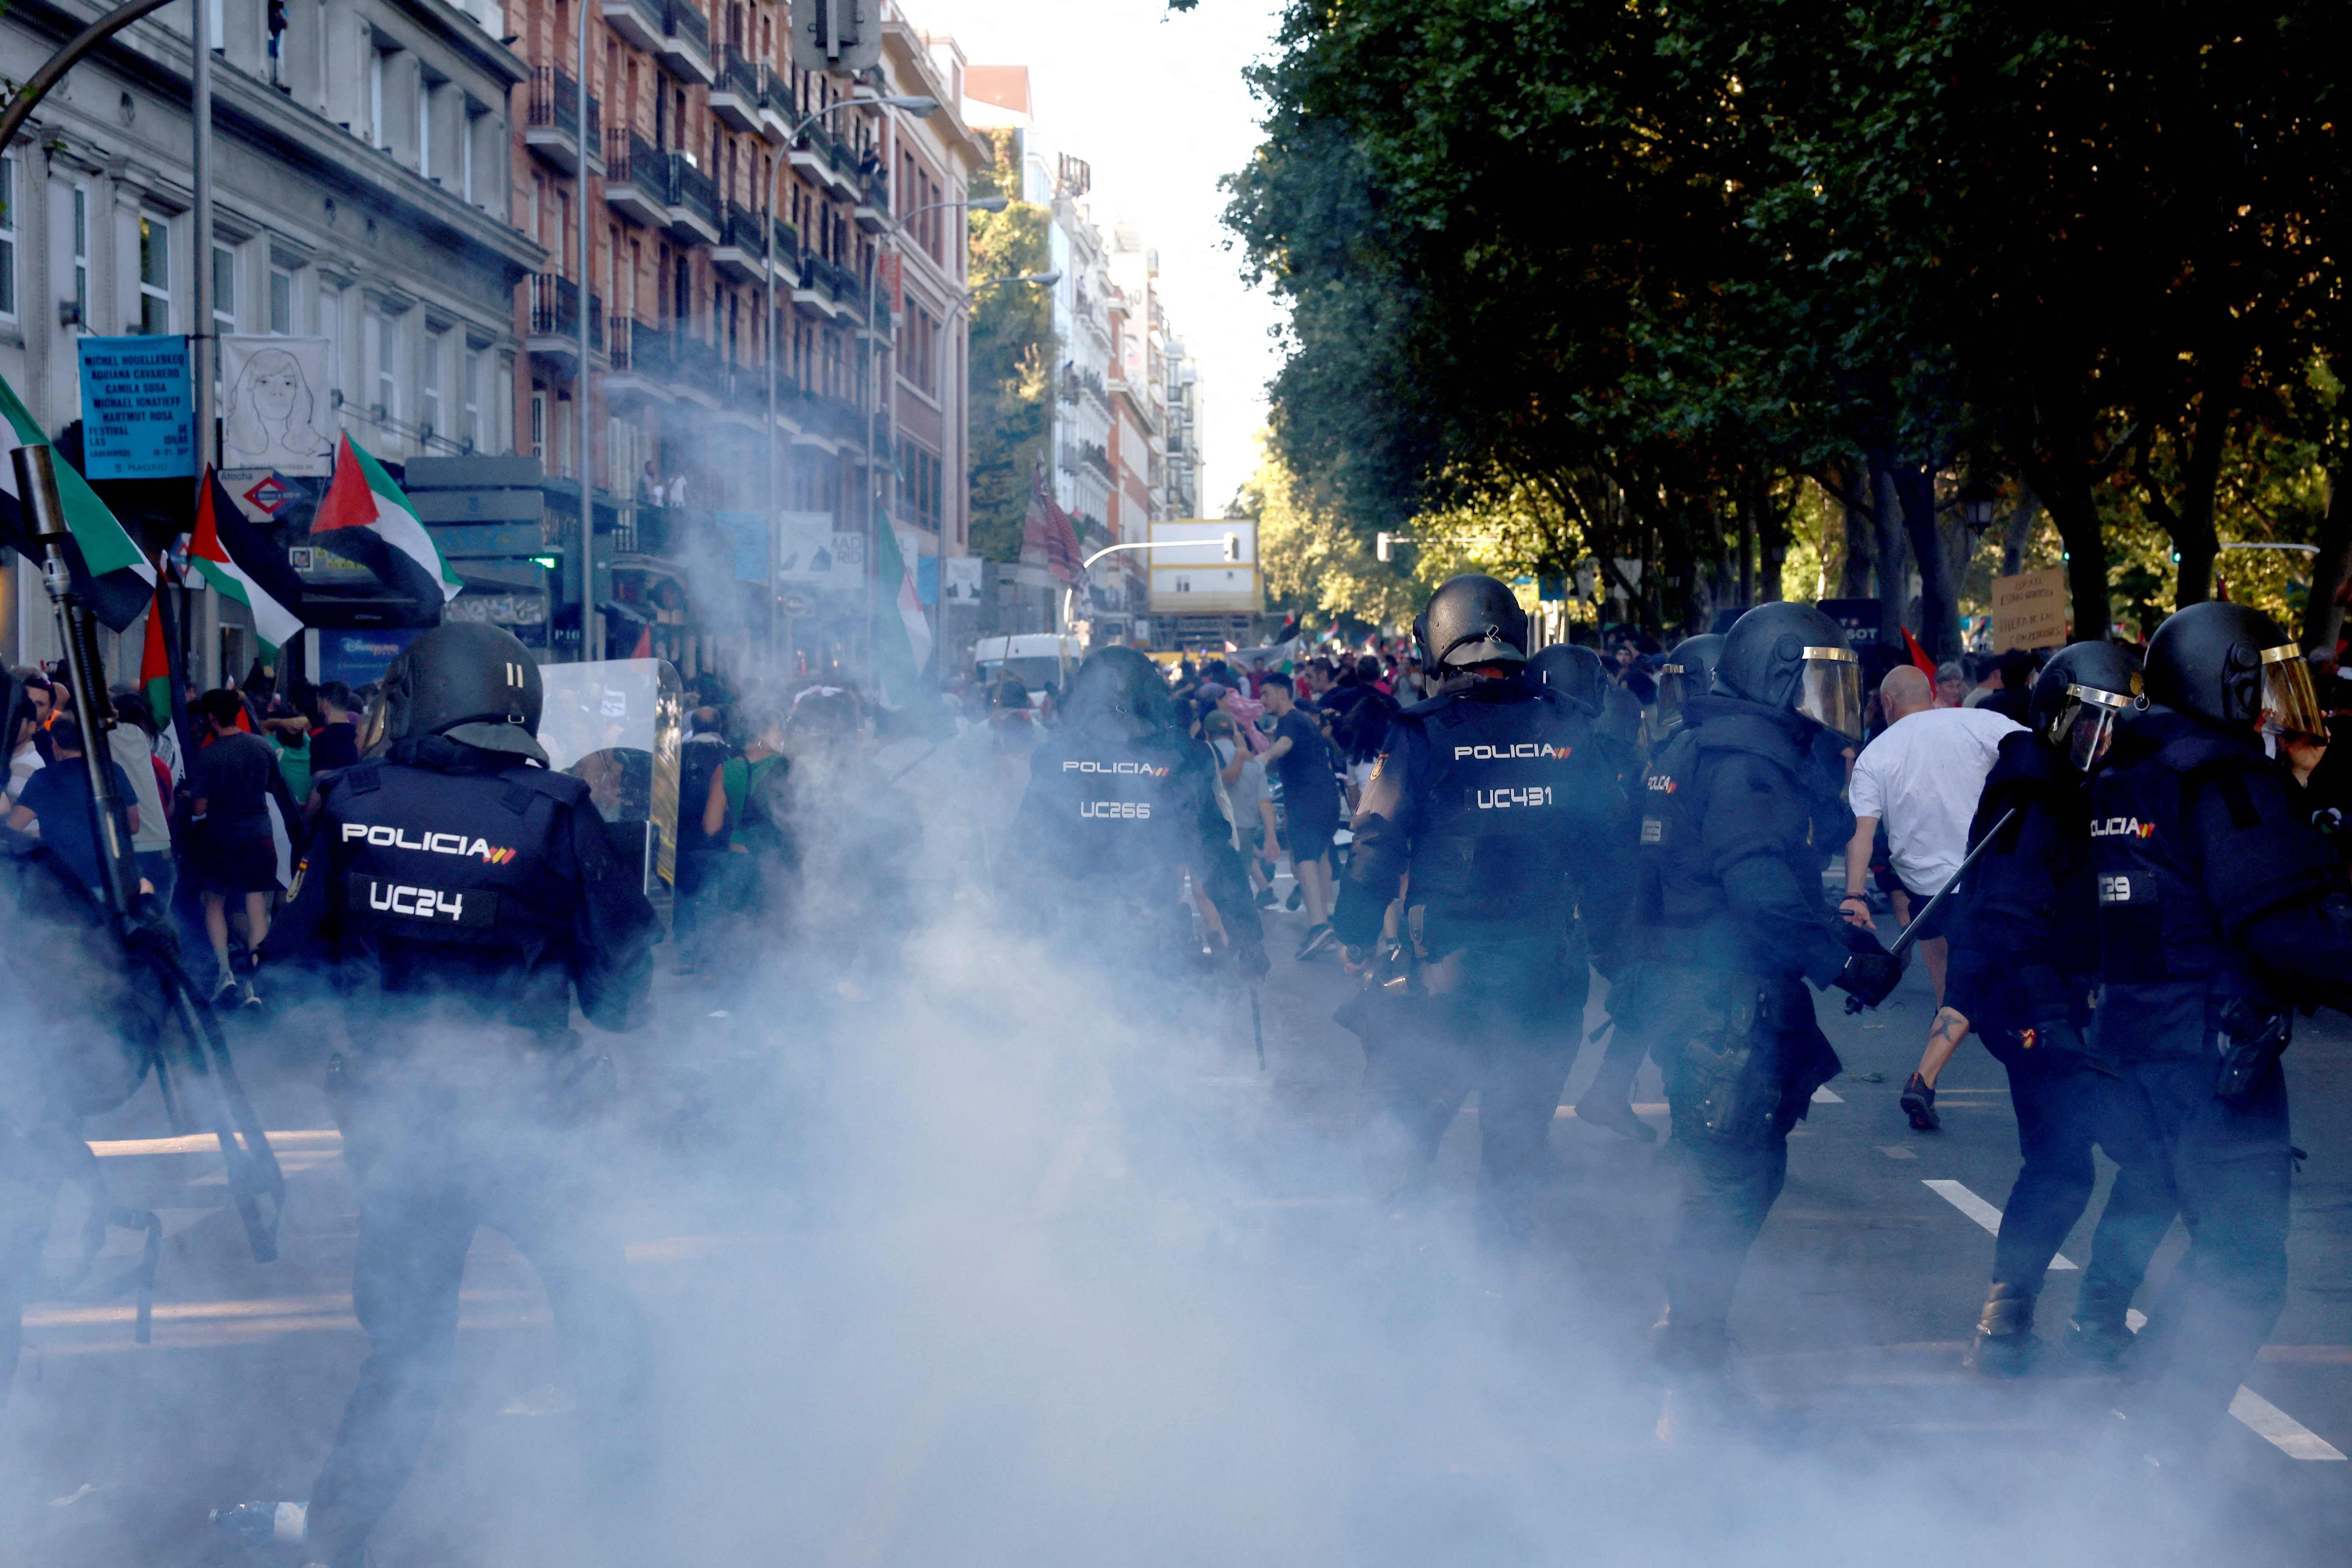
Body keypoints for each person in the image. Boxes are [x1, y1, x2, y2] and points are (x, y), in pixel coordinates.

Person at [219, 622, 658, 1568]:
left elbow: (292, 974)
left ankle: (338, 1537)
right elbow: (621, 999)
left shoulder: (353, 799)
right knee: (606, 1329)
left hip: (404, 1129)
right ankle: (644, 1525)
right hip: (533, 1124)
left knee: (409, 1358)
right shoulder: (556, 810)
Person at [1617, 601, 1900, 1439]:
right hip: (1724, 1000)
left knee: (1739, 1172)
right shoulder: (1746, 765)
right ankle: (1691, 1357)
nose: (1829, 698)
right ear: (1781, 678)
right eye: (1818, 679)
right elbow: (1762, 894)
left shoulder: (1726, 749)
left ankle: (1693, 1341)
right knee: (1727, 1180)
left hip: (1711, 990)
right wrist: (1846, 959)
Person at [2087, 602, 2352, 1466]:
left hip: (2149, 1048)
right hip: (2212, 1055)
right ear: (2229, 681)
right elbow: (2285, 928)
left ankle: (2149, 1425)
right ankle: (2161, 1450)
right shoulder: (2229, 781)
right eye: (2267, 682)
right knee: (2243, 1265)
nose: (2279, 705)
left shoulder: (2135, 773)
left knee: (2215, 1255)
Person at [1332, 576, 1633, 1241]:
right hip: (1548, 977)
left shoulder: (1421, 732)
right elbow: (1610, 853)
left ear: (1440, 638)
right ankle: (1499, 1293)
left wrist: (1354, 932)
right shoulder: (1566, 726)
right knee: (1518, 1143)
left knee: (1412, 1126)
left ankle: (1399, 1265)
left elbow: (1377, 841)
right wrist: (1620, 956)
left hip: (1450, 978)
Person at [1936, 641, 2175, 1375]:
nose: (2103, 743)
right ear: (2054, 718)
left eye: (2117, 728)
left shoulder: (2080, 790)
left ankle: (2008, 1329)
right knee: (2148, 1156)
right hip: (2052, 1011)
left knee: (2063, 1166)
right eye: (2089, 725)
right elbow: (2007, 919)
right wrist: (2058, 1028)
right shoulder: (2036, 795)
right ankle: (2088, 1322)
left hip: (2071, 1008)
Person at [1002, 646, 1265, 984]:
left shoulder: (1056, 756)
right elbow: (1213, 853)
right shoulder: (1182, 755)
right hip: (1150, 937)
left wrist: (1006, 928)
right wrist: (1247, 936)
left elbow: (1023, 847)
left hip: (1073, 942)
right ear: (1150, 691)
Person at [1837, 663, 2023, 1129]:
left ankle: (1931, 1079)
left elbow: (1861, 833)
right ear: (1931, 693)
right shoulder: (1980, 724)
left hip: (1926, 894)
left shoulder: (1876, 754)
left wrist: (1855, 894)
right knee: (1968, 996)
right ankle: (1924, 1079)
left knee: (1953, 994)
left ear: (1886, 703)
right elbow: (2040, 757)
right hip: (1983, 879)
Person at [187, 688, 300, 1006]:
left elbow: (199, 809)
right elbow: (275, 788)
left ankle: (226, 974)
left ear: (211, 718)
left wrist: (189, 799)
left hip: (221, 838)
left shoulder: (209, 755)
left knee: (215, 903)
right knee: (257, 907)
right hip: (260, 837)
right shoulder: (263, 747)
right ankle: (255, 981)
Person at [4, 715, 139, 898]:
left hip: (63, 882)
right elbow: (133, 826)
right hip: (112, 880)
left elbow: (13, 827)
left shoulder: (45, 779)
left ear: (55, 743)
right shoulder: (113, 771)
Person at [1261, 672, 1343, 957]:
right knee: (1316, 857)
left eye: (1266, 693)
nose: (1262, 700)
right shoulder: (1303, 722)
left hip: (1308, 801)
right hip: (1324, 800)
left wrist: (1262, 758)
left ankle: (1319, 927)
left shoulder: (1291, 721)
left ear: (1283, 693)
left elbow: (1283, 746)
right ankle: (1328, 916)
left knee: (1305, 860)